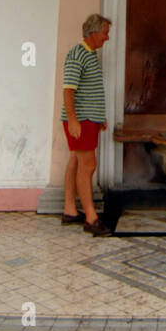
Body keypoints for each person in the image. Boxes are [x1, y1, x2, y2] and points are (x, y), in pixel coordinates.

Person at [61, 13, 112, 236]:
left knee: (76, 160)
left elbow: (88, 91)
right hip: (81, 121)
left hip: (89, 119)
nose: (107, 38)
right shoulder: (77, 54)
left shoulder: (89, 54)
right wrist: (73, 120)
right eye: (105, 33)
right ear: (93, 33)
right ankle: (91, 218)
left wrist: (99, 117)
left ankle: (70, 210)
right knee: (88, 166)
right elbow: (68, 90)